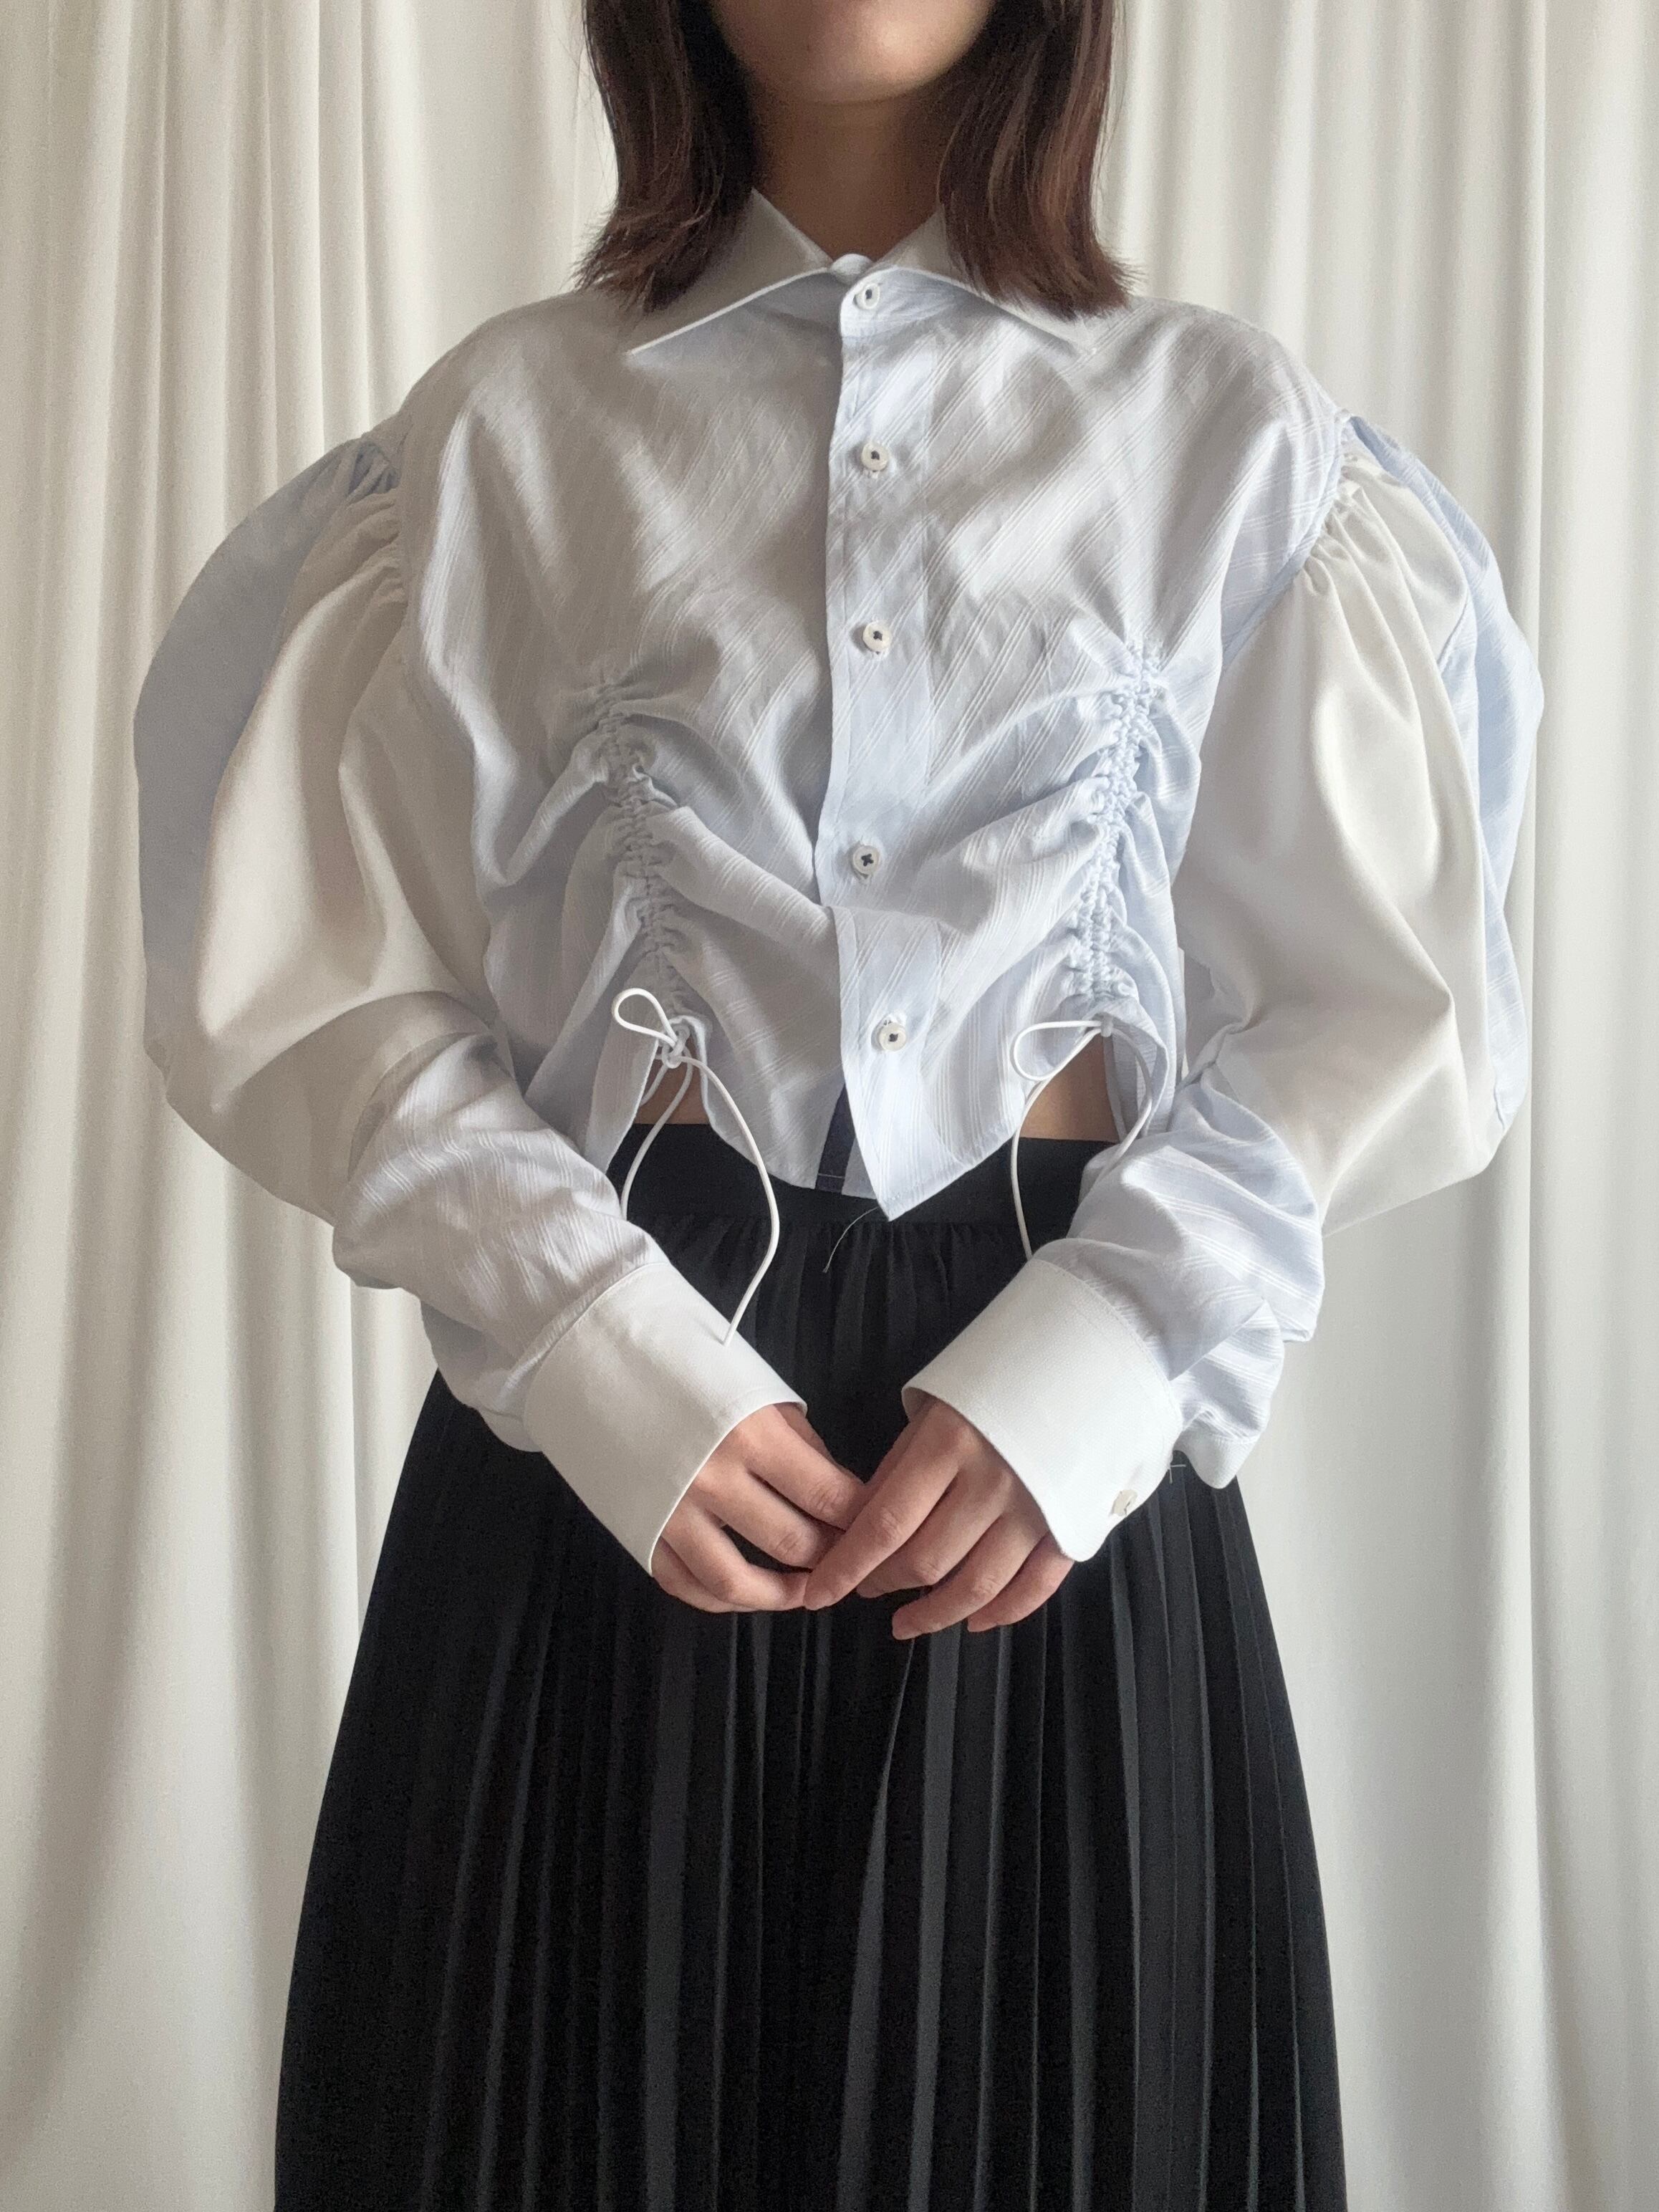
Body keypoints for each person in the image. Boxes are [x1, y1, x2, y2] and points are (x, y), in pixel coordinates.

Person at [131, 0, 1542, 2205]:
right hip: (619, 1422)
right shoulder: (507, 428)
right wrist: (592, 1342)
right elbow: (313, 983)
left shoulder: (1225, 433)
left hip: (1058, 1444)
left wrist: (1112, 1351)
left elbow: (1387, 1004)